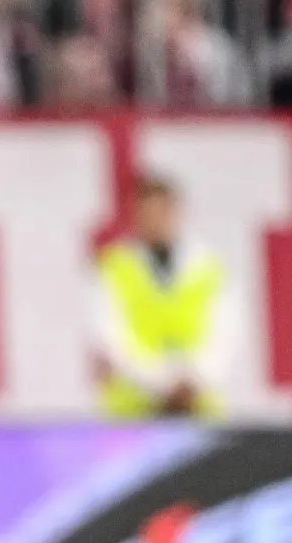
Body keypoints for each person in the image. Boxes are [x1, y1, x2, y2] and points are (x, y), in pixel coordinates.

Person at [93, 176, 231, 419]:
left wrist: (194, 381)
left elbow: (225, 335)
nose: (154, 222)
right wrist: (162, 385)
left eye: (161, 212)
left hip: (200, 410)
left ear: (177, 212)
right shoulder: (114, 266)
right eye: (147, 214)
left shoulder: (208, 267)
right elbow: (111, 339)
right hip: (133, 412)